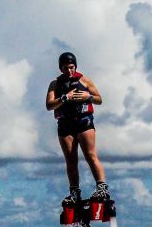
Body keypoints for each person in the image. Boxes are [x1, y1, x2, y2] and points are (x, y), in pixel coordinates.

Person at [45, 52, 110, 205]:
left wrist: (87, 97)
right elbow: (49, 105)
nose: (69, 71)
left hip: (83, 121)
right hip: (65, 124)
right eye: (66, 68)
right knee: (71, 160)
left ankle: (102, 188)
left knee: (90, 155)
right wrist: (64, 98)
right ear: (61, 68)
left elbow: (99, 99)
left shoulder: (85, 80)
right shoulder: (55, 84)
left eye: (72, 67)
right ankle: (74, 192)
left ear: (76, 66)